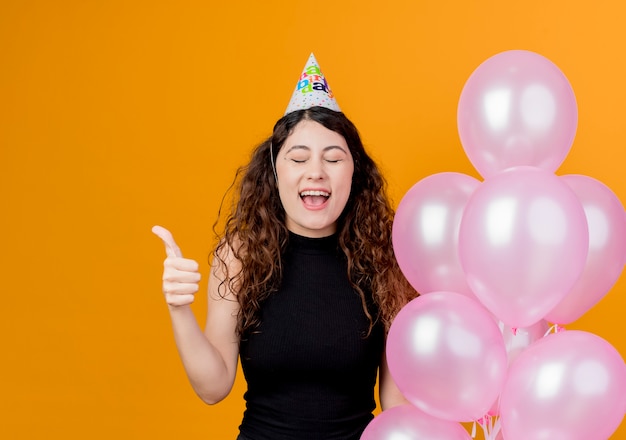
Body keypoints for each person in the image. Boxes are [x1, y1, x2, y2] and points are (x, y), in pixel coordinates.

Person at [152, 53, 418, 440]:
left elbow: (396, 406)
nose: (316, 171)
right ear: (275, 171)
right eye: (298, 157)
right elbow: (213, 387)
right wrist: (180, 310)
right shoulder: (240, 256)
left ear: (355, 172)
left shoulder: (383, 263)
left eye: (333, 158)